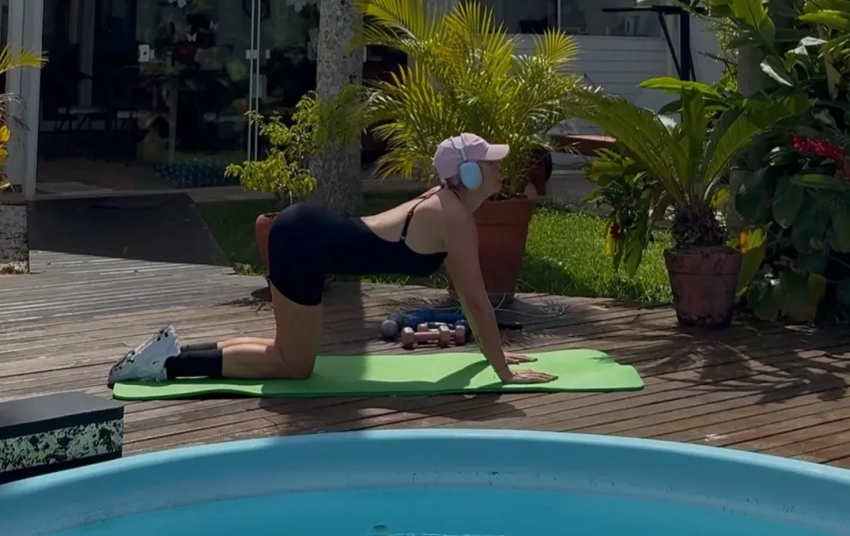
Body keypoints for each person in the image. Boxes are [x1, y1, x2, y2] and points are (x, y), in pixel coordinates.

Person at [107, 134, 555, 388]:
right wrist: (503, 371)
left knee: (285, 351)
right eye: (490, 162)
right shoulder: (453, 217)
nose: (500, 168)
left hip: (306, 232)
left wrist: (494, 355)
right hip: (305, 239)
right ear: (469, 174)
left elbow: (472, 303)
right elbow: (475, 301)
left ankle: (172, 351)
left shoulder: (447, 205)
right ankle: (168, 366)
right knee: (293, 364)